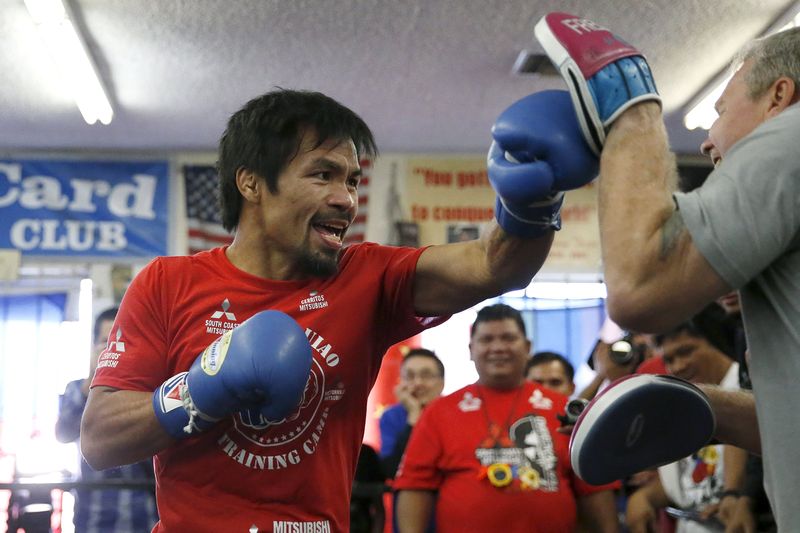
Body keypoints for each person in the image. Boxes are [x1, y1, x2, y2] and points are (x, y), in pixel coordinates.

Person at [79, 89, 595, 532]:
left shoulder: (367, 277)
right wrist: (204, 387)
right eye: (323, 175)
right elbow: (100, 439)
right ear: (252, 182)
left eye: (351, 180)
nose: (346, 198)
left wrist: (533, 201)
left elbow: (495, 267)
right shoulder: (168, 283)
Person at [532, 14, 800, 528]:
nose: (706, 140)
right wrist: (706, 410)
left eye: (720, 110)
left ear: (779, 96)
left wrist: (631, 113)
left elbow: (639, 291)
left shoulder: (788, 139)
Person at [394, 304, 619, 533]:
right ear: (471, 349)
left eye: (508, 338)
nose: (498, 347)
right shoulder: (440, 412)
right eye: (487, 339)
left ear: (528, 347)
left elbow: (594, 487)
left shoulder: (565, 410)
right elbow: (414, 487)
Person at [625, 308, 750, 532]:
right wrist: (644, 497)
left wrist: (738, 496)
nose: (679, 366)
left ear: (715, 342)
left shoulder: (749, 392)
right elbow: (688, 488)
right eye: (670, 359)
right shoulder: (685, 404)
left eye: (686, 351)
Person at [55, 307, 158, 532]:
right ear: (93, 347)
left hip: (143, 512)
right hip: (91, 513)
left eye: (122, 342)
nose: (115, 349)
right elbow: (63, 434)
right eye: (107, 342)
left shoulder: (148, 391)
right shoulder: (76, 388)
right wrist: (94, 379)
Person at [379, 348, 445, 478]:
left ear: (441, 383)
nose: (418, 383)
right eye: (409, 376)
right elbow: (392, 470)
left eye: (426, 375)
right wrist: (414, 416)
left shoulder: (455, 411)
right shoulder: (391, 417)